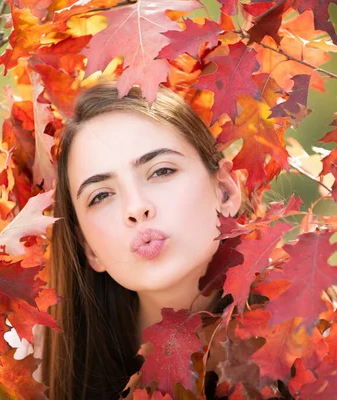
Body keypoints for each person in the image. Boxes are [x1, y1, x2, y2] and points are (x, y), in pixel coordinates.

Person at [38, 82, 244, 399]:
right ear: (89, 249)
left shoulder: (329, 360)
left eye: (161, 171)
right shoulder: (35, 377)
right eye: (101, 195)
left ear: (226, 192)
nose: (136, 208)